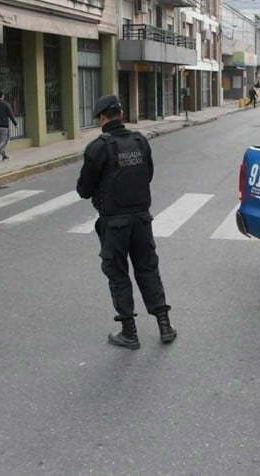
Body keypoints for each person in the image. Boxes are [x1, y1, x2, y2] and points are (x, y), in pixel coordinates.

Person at [76, 94, 176, 350]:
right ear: (120, 113)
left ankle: (129, 332)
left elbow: (84, 190)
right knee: (148, 269)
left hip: (114, 224)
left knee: (118, 274)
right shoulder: (140, 141)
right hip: (142, 220)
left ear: (102, 117)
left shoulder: (98, 147)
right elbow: (148, 175)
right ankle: (164, 324)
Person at [0, 91, 18, 163]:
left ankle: (3, 156)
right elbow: (11, 115)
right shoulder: (6, 104)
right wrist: (15, 124)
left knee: (0, 142)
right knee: (5, 141)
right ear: (2, 96)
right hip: (4, 126)